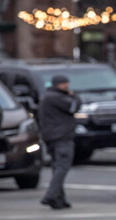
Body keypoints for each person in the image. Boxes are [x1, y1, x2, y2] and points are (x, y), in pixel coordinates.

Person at [39, 75, 81, 210]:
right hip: (61, 136)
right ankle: (51, 195)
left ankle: (59, 199)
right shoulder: (56, 97)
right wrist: (75, 97)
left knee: (57, 167)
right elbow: (73, 107)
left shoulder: (47, 96)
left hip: (51, 136)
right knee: (62, 165)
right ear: (57, 84)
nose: (67, 86)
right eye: (64, 84)